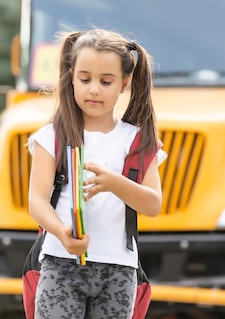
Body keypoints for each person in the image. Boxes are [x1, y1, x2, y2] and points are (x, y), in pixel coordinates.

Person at [27, 28, 164, 319]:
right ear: (71, 77)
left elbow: (152, 204)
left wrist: (115, 183)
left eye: (106, 81)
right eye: (85, 79)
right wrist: (62, 232)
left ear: (125, 83)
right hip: (60, 261)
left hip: (119, 269)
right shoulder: (51, 136)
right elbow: (36, 201)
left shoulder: (138, 142)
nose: (94, 89)